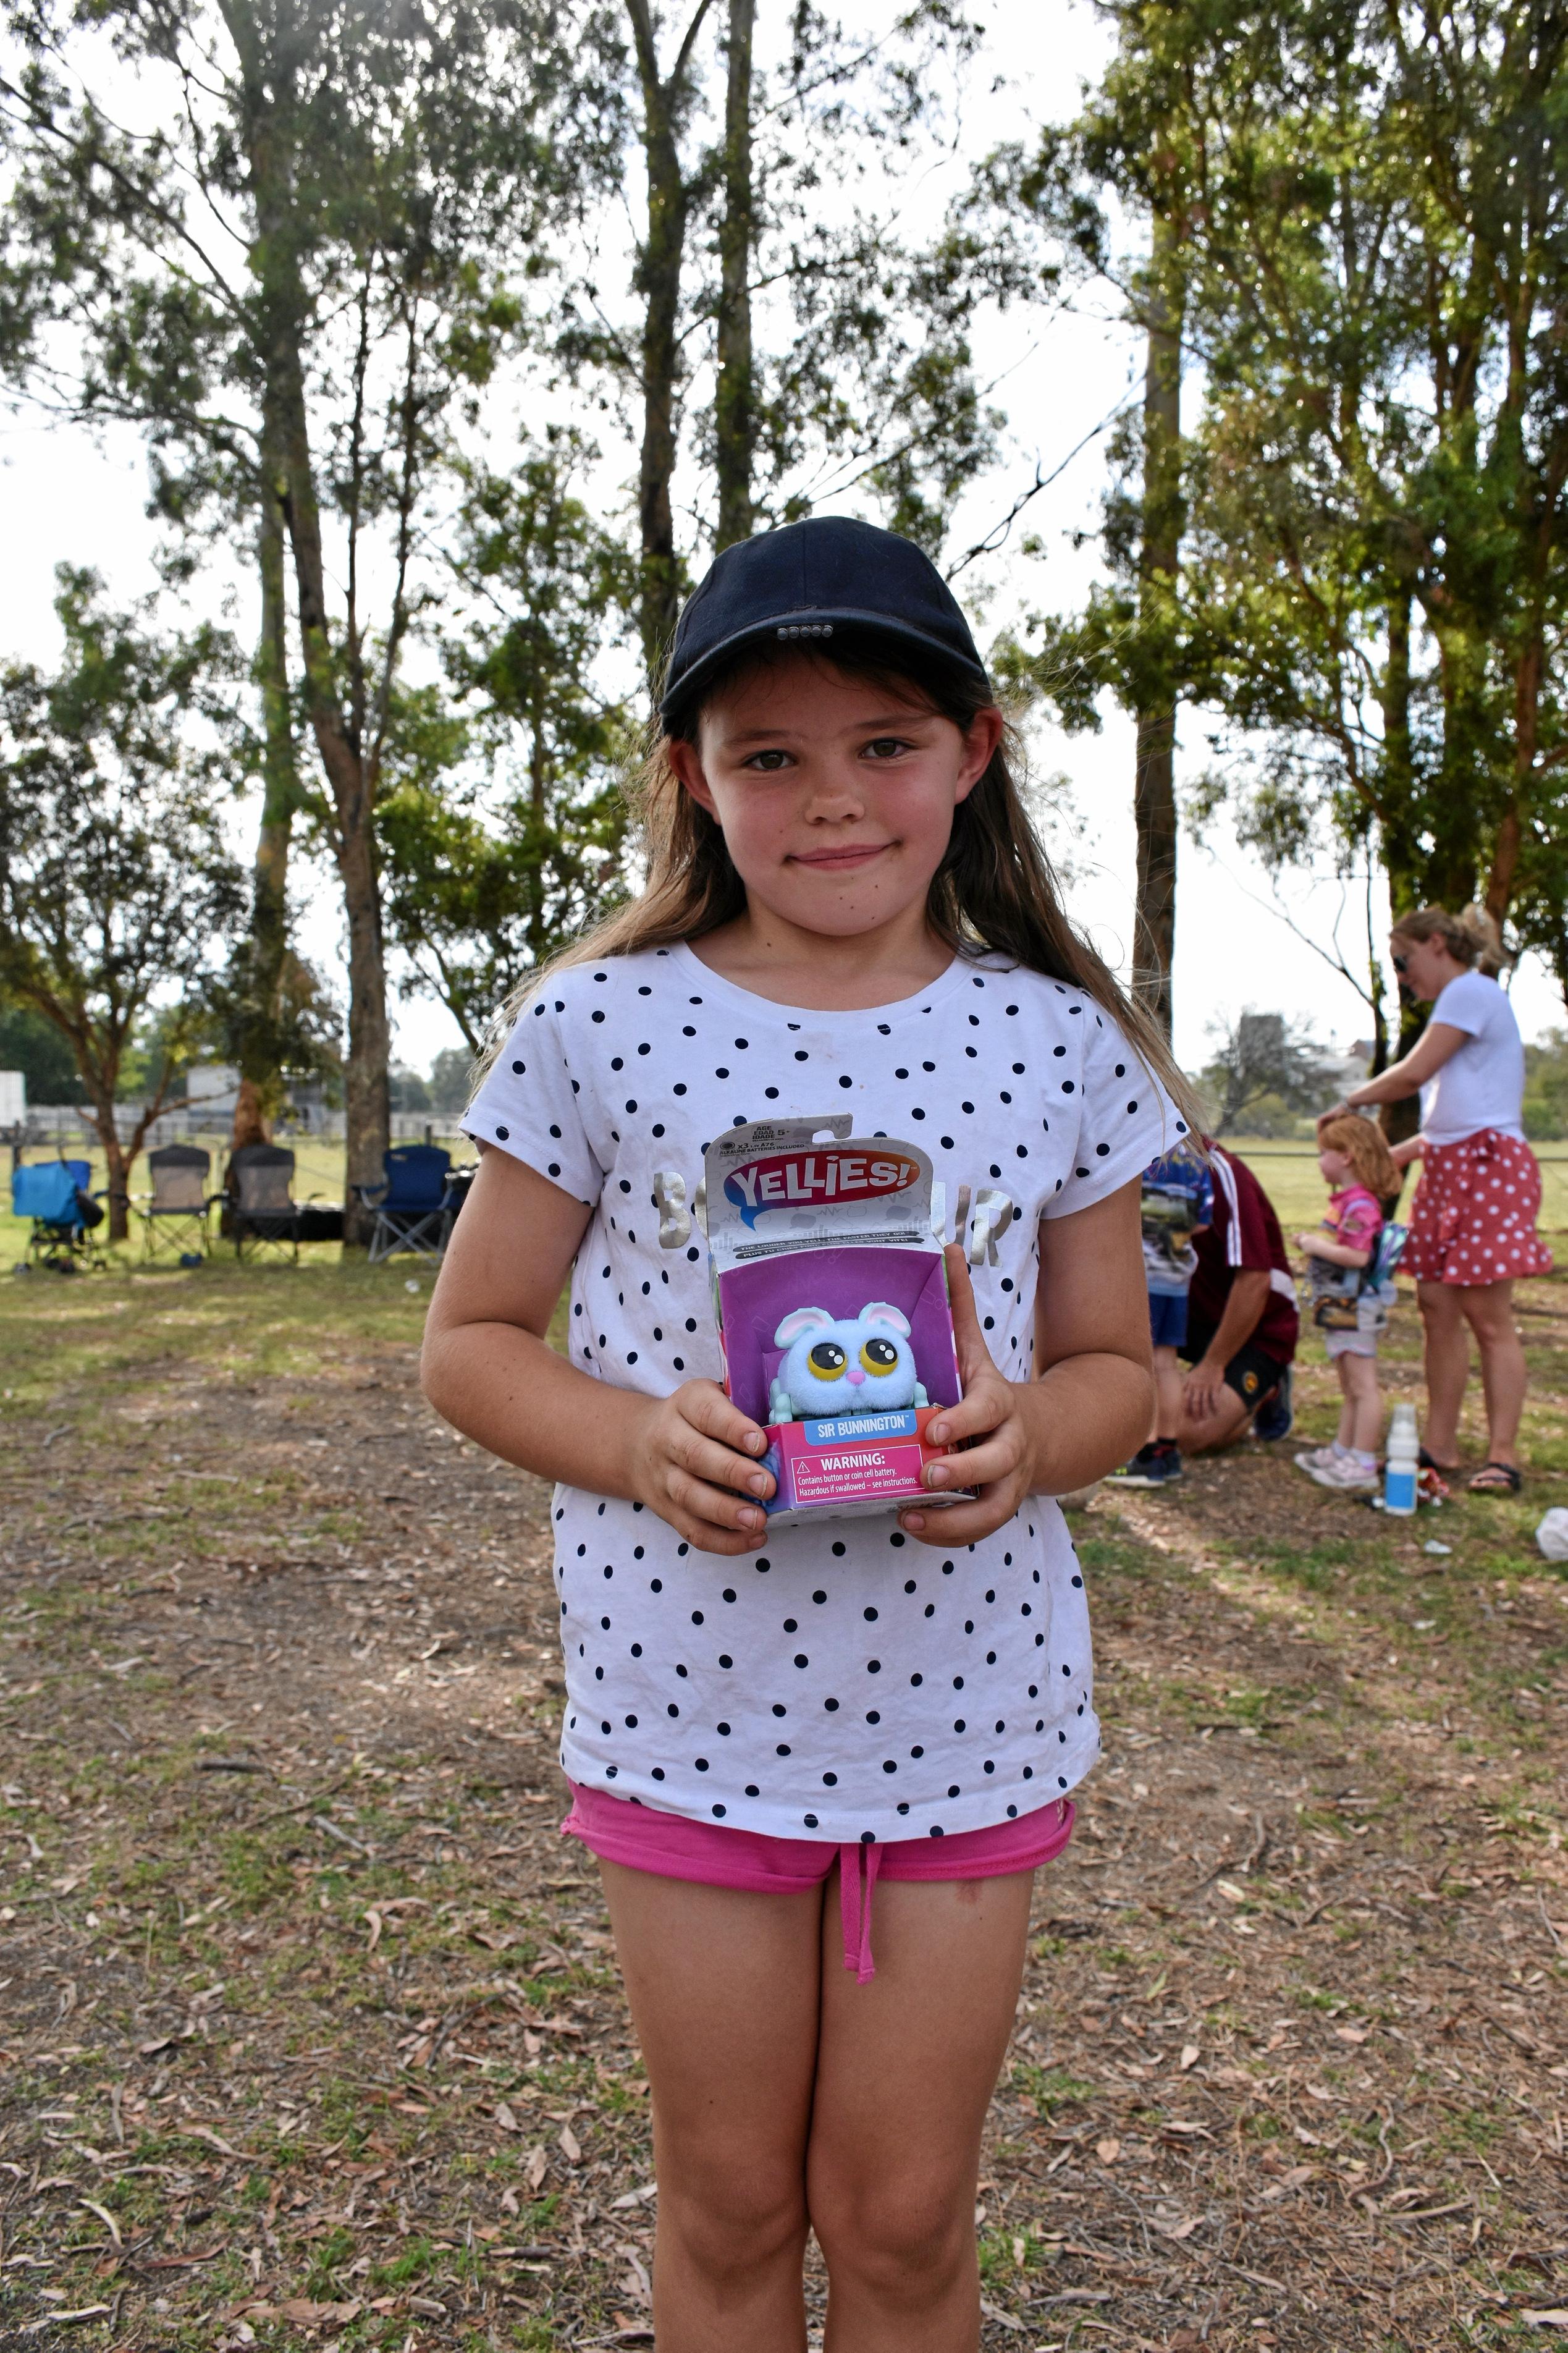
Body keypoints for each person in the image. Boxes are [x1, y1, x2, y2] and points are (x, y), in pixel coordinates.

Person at [420, 515, 1195, 2353]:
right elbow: (466, 1344)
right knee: (735, 2200)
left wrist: (1032, 1440)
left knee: (909, 2217)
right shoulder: (595, 1026)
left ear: (974, 752)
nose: (831, 799)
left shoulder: (1057, 1042)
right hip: (688, 1714)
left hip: (971, 1717)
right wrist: (632, 1445)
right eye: (770, 753)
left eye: (884, 746)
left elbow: (1112, 1371)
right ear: (695, 775)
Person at [1321, 905, 1552, 1494]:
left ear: (1436, 946)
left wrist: (1351, 1105)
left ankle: (1502, 1456)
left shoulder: (1471, 991)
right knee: (1436, 1307)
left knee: (1488, 1317)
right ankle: (1440, 1444)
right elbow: (1452, 1115)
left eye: (1403, 961)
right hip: (1450, 1166)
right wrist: (1388, 1161)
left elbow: (1412, 1075)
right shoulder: (1459, 1004)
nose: (1401, 976)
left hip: (1489, 1167)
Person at [1292, 1114, 1401, 1492]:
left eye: (1325, 1153)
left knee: (1363, 1387)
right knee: (1349, 1385)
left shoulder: (1361, 1206)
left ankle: (1363, 1461)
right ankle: (1344, 1450)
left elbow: (1356, 1257)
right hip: (1341, 1310)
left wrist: (1314, 1245)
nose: (1320, 1161)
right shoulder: (1347, 1203)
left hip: (1356, 1310)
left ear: (1347, 1157)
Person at [1170, 1142, 1299, 1453]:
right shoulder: (1129, 1169)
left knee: (1185, 1434)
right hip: (1186, 1317)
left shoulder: (1223, 1173)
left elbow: (1254, 1279)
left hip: (1258, 1328)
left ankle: (1266, 1390)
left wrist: (1212, 1365)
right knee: (1132, 1424)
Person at [1108, 1144, 1213, 1487]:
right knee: (1167, 1364)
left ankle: (1146, 1452)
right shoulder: (1197, 1161)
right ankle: (1168, 1450)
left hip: (1144, 1278)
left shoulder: (1144, 1150)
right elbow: (1202, 1222)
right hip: (1178, 1279)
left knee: (1145, 1365)